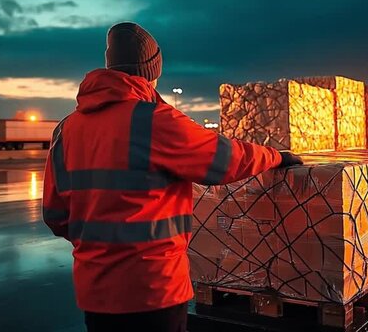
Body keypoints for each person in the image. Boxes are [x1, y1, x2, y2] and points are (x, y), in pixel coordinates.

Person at [42, 22, 303, 332]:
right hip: (154, 291)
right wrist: (276, 157)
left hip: (95, 293)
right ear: (152, 71)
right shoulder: (153, 121)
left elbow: (55, 215)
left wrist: (98, 247)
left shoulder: (66, 129)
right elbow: (224, 160)